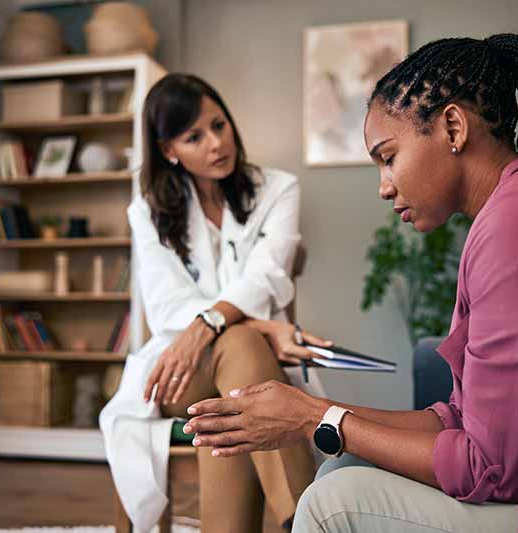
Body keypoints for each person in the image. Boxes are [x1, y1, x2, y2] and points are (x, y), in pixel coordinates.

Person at [182, 34, 518, 533]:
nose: (384, 187)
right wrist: (305, 415)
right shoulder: (514, 211)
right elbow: (460, 420)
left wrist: (315, 417)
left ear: (454, 129)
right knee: (339, 471)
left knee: (330, 504)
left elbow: (492, 468)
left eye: (388, 158)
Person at [100, 74, 330, 533]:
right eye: (194, 137)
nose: (216, 144)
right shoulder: (146, 212)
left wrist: (212, 322)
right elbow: (166, 305)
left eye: (219, 125)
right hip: (178, 370)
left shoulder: (279, 189)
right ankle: (301, 518)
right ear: (169, 149)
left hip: (240, 370)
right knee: (245, 344)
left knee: (229, 410)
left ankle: (288, 522)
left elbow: (265, 279)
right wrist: (263, 328)